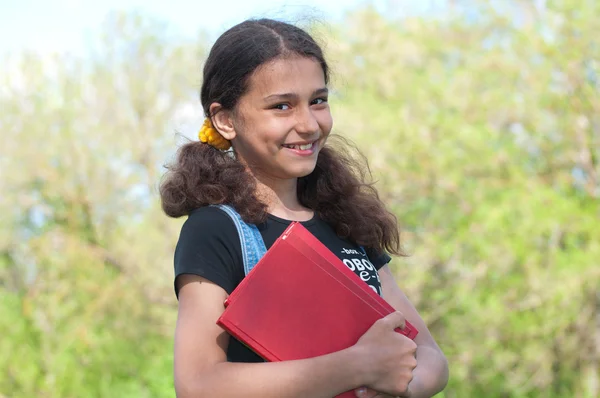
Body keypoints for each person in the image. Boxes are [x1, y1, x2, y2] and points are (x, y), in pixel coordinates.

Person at [159, 18, 449, 398]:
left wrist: (396, 383)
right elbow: (198, 384)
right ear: (225, 120)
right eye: (281, 106)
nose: (309, 124)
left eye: (318, 101)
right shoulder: (216, 230)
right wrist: (357, 367)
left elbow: (430, 356)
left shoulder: (345, 224)